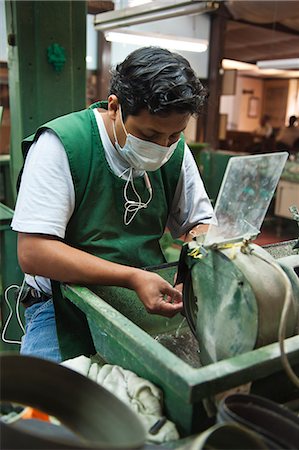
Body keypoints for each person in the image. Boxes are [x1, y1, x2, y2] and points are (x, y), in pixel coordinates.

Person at [12, 46, 214, 363]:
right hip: (64, 304)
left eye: (174, 136)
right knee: (49, 400)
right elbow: (34, 252)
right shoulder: (63, 145)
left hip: (145, 297)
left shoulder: (173, 150)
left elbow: (200, 225)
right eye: (149, 134)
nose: (162, 147)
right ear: (115, 107)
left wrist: (191, 267)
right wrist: (130, 277)